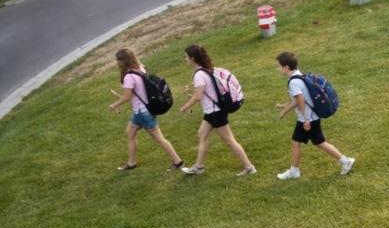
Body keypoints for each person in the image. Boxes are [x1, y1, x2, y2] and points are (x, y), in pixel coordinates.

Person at [274, 52, 355, 180]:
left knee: (320, 143)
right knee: (296, 142)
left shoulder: (293, 82)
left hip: (308, 119)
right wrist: (284, 108)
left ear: (286, 67)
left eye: (278, 66)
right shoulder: (298, 76)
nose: (277, 69)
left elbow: (300, 100)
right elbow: (298, 99)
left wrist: (306, 120)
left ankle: (345, 161)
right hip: (309, 117)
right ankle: (294, 170)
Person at [179, 44, 256, 176]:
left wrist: (185, 107)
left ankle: (249, 167)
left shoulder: (199, 74)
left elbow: (198, 96)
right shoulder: (206, 69)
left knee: (229, 140)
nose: (184, 59)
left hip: (216, 112)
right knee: (201, 135)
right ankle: (199, 166)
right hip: (212, 111)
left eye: (186, 57)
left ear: (192, 58)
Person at [109, 48, 183, 171]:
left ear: (122, 61)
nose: (116, 63)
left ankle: (178, 161)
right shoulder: (141, 68)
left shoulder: (128, 76)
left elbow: (127, 97)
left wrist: (114, 105)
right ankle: (131, 163)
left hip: (142, 112)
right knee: (130, 133)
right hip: (142, 111)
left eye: (117, 60)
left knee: (158, 138)